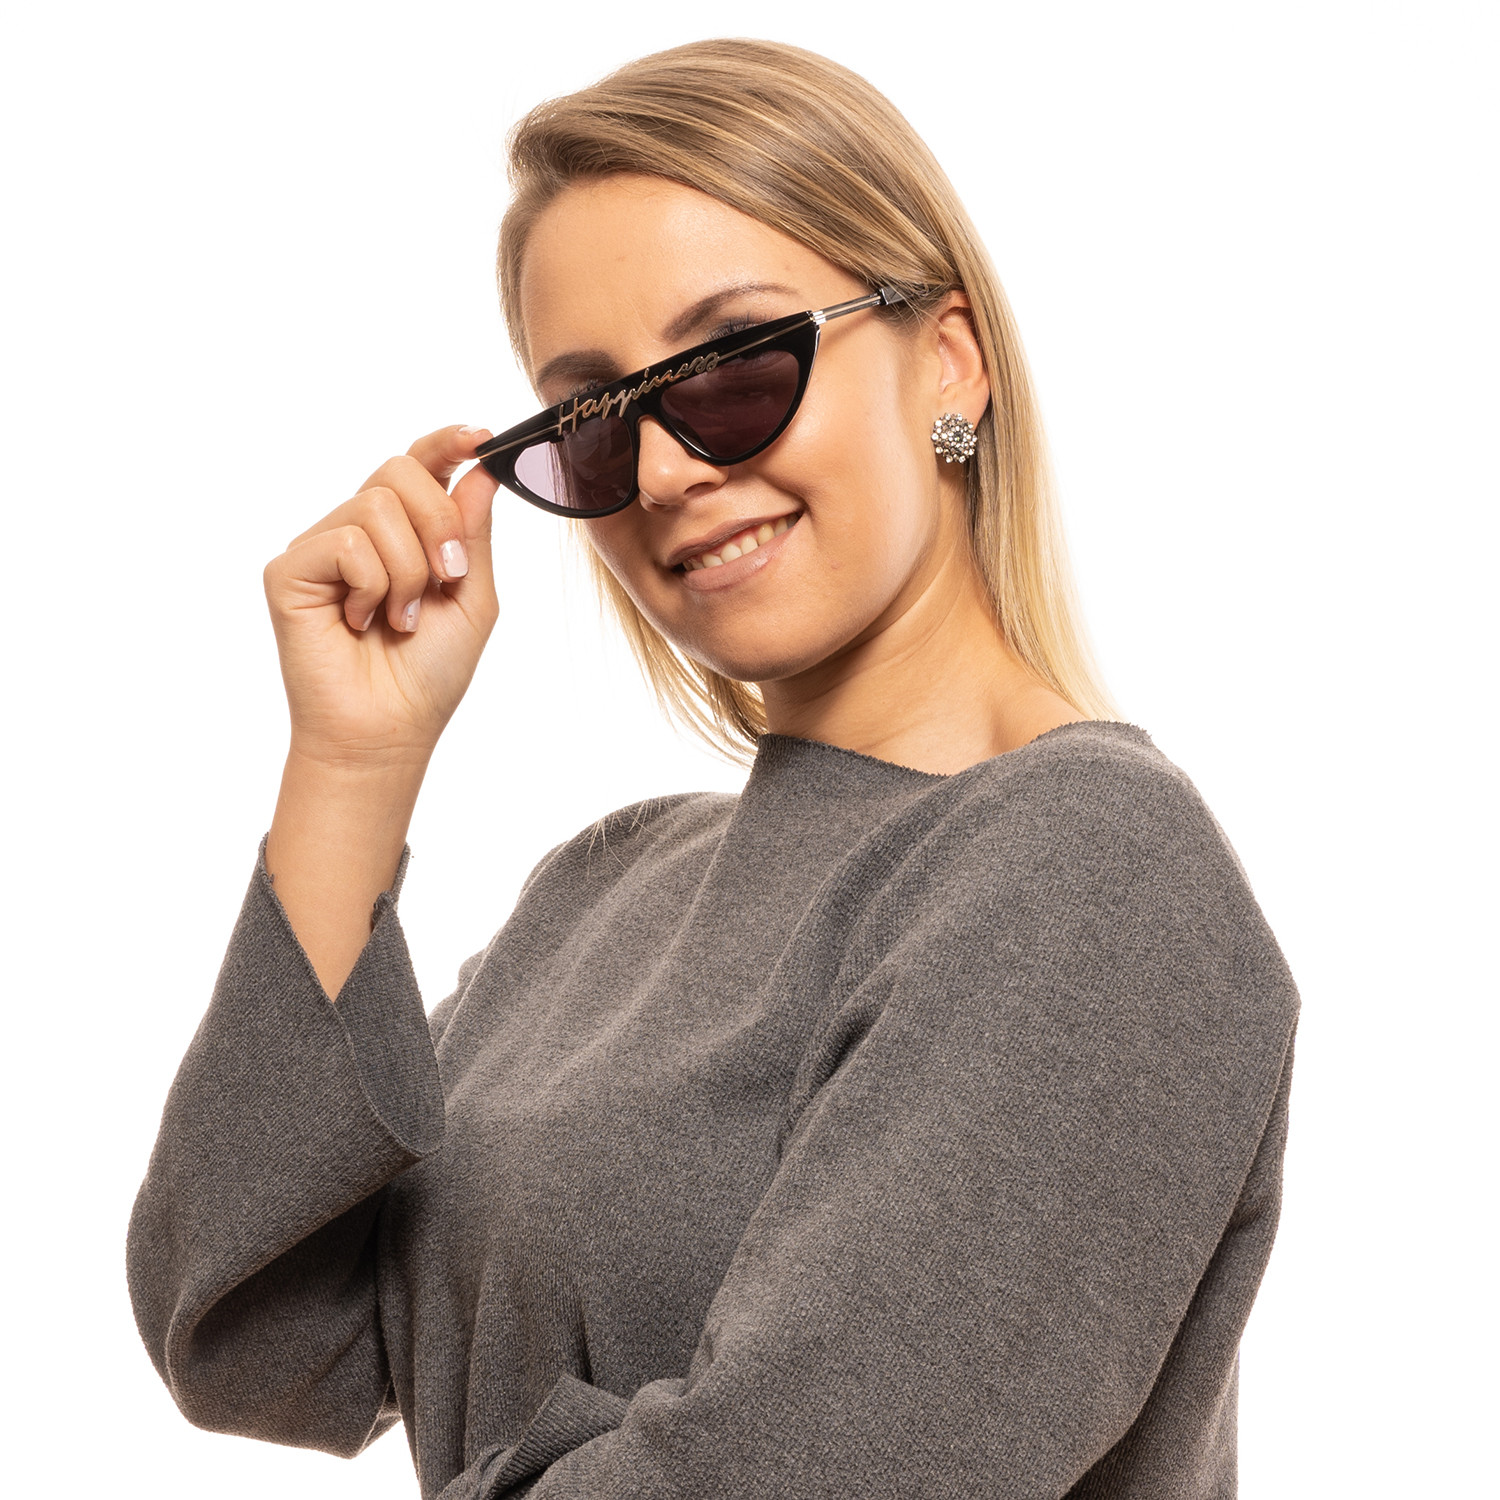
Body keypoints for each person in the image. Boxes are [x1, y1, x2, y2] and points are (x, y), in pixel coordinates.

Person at [126, 37, 1300, 1500]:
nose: (671, 471)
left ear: (948, 359)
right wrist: (354, 763)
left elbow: (797, 1472)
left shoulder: (1095, 872)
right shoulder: (605, 892)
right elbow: (248, 1334)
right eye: (597, 423)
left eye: (737, 368)